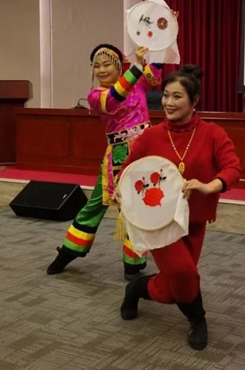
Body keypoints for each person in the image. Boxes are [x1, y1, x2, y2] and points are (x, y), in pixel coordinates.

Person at [115, 65, 242, 350]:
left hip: (194, 220)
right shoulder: (151, 136)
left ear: (194, 101)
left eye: (177, 97)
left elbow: (233, 167)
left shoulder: (212, 133)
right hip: (159, 222)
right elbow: (127, 171)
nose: (168, 103)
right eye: (165, 96)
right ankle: (198, 320)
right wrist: (121, 192)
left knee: (172, 289)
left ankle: (136, 288)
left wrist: (210, 185)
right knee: (185, 274)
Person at [46, 44, 162, 280]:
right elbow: (113, 99)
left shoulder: (138, 82)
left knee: (137, 207)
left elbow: (155, 75)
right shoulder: (96, 95)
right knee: (96, 204)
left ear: (119, 67)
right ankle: (69, 251)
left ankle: (133, 264)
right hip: (119, 156)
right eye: (96, 66)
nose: (101, 70)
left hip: (145, 153)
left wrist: (162, 41)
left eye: (107, 64)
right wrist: (137, 67)